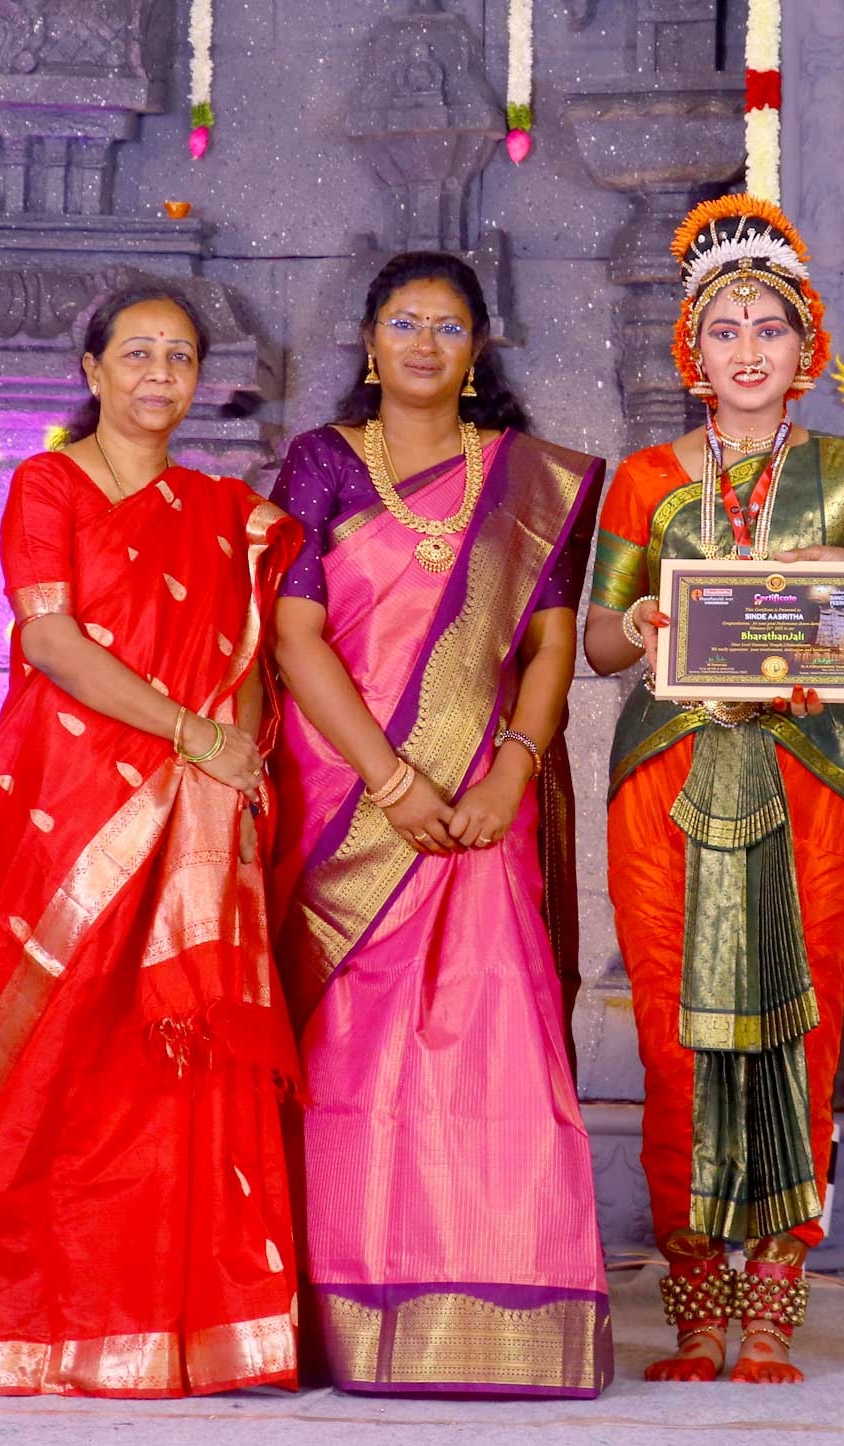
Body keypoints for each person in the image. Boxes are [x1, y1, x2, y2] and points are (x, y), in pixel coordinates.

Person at [269, 251, 612, 1398]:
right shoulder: (322, 462)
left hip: (479, 804)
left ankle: (502, 1309)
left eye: (449, 326)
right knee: (351, 1054)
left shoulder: (526, 479)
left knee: (493, 1038)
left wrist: (513, 768)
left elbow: (550, 644)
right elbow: (294, 634)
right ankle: (346, 1307)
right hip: (348, 802)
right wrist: (390, 782)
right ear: (370, 344)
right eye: (405, 323)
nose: (425, 343)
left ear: (478, 353)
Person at [584, 195, 844, 1385]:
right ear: (694, 351)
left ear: (805, 344)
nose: (748, 350)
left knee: (799, 1030)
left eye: (769, 327)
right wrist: (646, 624)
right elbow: (600, 641)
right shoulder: (645, 479)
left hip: (809, 768)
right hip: (670, 769)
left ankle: (772, 1296)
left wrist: (833, 586)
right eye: (725, 330)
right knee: (676, 1035)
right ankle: (695, 1299)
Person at [0, 284, 303, 1396]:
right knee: (59, 1049)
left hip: (197, 809)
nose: (159, 373)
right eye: (137, 353)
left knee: (174, 1061)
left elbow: (252, 658)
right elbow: (50, 641)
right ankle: (36, 1321)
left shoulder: (223, 511)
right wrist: (190, 734)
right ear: (92, 372)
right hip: (69, 797)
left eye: (179, 356)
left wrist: (233, 760)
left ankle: (176, 1325)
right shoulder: (46, 483)